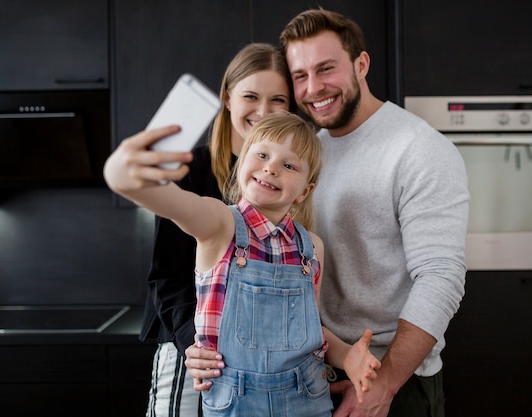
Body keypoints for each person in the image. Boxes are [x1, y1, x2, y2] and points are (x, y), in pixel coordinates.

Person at [185, 8, 470, 417]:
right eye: (300, 76)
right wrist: (206, 345)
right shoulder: (303, 155)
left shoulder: (418, 149)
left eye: (326, 69)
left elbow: (441, 278)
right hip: (305, 382)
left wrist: (383, 383)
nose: (313, 88)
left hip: (391, 384)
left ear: (361, 64)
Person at [104, 112, 382, 417]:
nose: (270, 167)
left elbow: (311, 331)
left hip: (308, 400)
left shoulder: (311, 247)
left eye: (289, 165)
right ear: (241, 165)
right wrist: (124, 176)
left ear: (305, 191)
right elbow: (174, 202)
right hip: (235, 404)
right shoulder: (219, 224)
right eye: (262, 154)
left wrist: (347, 357)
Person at [137, 43, 294, 417]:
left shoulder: (291, 180)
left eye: (278, 100)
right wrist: (197, 346)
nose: (263, 111)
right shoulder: (192, 171)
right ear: (228, 98)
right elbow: (167, 277)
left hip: (264, 359)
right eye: (251, 97)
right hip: (192, 350)